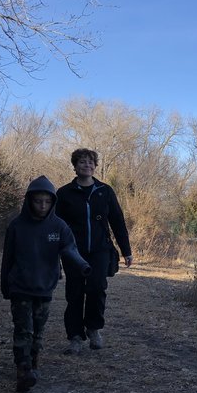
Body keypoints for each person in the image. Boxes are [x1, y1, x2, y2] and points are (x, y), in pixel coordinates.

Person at [1, 175, 91, 392]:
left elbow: (69, 249)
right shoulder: (16, 226)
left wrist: (82, 265)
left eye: (47, 202)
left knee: (38, 331)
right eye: (38, 201)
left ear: (53, 202)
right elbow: (7, 258)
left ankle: (32, 362)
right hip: (20, 286)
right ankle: (22, 368)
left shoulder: (59, 226)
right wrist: (5, 285)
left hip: (45, 287)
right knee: (24, 329)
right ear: (29, 200)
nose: (42, 206)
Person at [55, 148, 133, 354]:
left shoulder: (105, 191)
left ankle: (93, 328)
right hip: (73, 252)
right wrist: (54, 251)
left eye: (90, 162)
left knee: (97, 289)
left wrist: (127, 250)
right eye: (82, 162)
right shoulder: (63, 194)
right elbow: (55, 225)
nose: (86, 165)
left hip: (100, 250)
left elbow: (117, 221)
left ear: (95, 166)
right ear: (75, 166)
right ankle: (74, 336)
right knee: (75, 293)